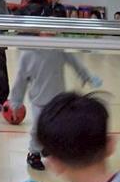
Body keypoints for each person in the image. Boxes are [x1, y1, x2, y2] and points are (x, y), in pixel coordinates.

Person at [6, 27, 102, 171]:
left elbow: (75, 63)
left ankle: (49, 147)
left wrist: (87, 76)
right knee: (37, 128)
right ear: (39, 33)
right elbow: (20, 80)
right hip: (39, 100)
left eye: (53, 32)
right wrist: (16, 102)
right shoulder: (28, 54)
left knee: (58, 128)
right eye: (47, 31)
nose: (51, 34)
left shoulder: (59, 49)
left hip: (58, 99)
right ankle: (34, 154)